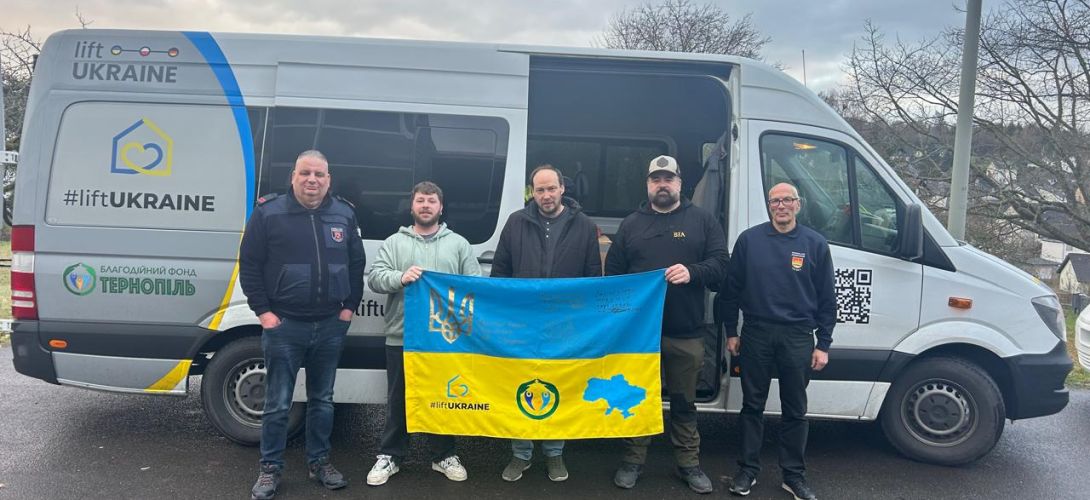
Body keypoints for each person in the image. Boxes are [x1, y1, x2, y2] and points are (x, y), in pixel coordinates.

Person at [239, 150, 365, 500]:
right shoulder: (268, 213)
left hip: (329, 324)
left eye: (319, 174)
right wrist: (264, 313)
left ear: (329, 179)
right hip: (285, 325)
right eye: (305, 173)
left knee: (322, 400)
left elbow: (356, 264)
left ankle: (319, 462)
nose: (312, 180)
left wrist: (348, 309)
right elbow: (249, 265)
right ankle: (270, 469)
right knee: (278, 402)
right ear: (293, 176)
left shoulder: (343, 213)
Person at [605, 155, 728, 494]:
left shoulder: (702, 220)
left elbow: (721, 266)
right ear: (648, 185)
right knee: (637, 399)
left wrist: (693, 272)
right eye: (655, 179)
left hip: (686, 332)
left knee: (684, 403)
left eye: (668, 179)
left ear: (679, 183)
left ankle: (689, 464)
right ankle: (632, 461)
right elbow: (613, 276)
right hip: (639, 336)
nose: (662, 185)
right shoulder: (631, 225)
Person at [717, 182, 835, 500]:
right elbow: (730, 290)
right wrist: (731, 331)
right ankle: (747, 471)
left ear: (798, 204)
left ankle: (793, 476)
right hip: (756, 332)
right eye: (775, 201)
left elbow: (827, 298)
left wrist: (823, 343)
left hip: (798, 336)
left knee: (795, 409)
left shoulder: (815, 244)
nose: (781, 206)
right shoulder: (749, 241)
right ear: (769, 206)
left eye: (787, 200)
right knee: (752, 406)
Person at [365, 181, 481, 486]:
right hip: (402, 336)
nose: (426, 205)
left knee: (442, 399)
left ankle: (444, 455)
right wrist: (400, 277)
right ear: (412, 206)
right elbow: (375, 278)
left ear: (441, 207)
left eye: (431, 201)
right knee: (399, 399)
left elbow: (475, 283)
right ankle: (390, 455)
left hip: (444, 338)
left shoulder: (458, 244)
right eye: (420, 200)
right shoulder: (394, 243)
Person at [492, 164, 602, 482]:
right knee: (521, 385)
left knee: (559, 386)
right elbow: (500, 274)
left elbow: (593, 279)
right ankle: (520, 454)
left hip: (565, 325)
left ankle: (554, 453)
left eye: (551, 188)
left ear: (562, 188)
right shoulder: (515, 222)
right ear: (532, 192)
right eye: (539, 190)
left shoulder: (584, 226)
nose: (546, 195)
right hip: (523, 324)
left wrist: (584, 322)